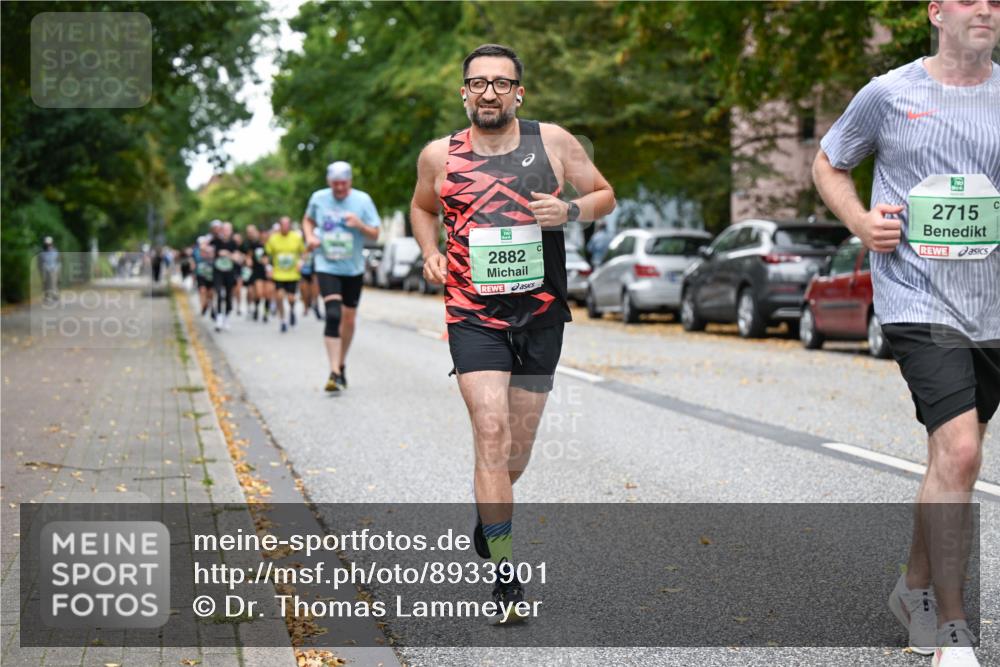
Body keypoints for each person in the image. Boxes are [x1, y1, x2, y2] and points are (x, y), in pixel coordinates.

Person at [812, 2, 999, 664]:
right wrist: (861, 222)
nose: (986, 9)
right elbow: (829, 162)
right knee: (962, 449)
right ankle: (953, 627)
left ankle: (914, 587)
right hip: (916, 297)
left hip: (992, 305)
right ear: (937, 12)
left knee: (950, 458)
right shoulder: (889, 94)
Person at [409, 44, 615, 621]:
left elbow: (604, 194)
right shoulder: (440, 156)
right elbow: (423, 208)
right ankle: (505, 577)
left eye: (502, 83)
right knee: (491, 431)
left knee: (514, 456)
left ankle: (488, 515)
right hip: (472, 313)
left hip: (541, 314)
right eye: (479, 83)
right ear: (464, 92)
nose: (490, 92)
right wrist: (431, 252)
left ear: (519, 93)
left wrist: (570, 212)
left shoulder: (553, 142)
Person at [302, 161, 381, 392]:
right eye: (335, 184)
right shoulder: (318, 198)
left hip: (353, 268)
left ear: (350, 181)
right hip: (326, 264)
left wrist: (359, 225)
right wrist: (309, 236)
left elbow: (375, 234)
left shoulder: (362, 200)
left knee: (349, 319)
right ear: (329, 182)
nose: (339, 189)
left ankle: (341, 363)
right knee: (333, 314)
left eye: (343, 184)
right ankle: (334, 372)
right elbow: (308, 220)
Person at [265, 216, 306, 333]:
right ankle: (283, 320)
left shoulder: (296, 238)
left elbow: (303, 252)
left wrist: (301, 262)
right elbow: (266, 255)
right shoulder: (273, 238)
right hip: (279, 274)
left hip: (293, 274)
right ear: (280, 225)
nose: (285, 227)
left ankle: (292, 310)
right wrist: (268, 267)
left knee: (291, 298)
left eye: (287, 224)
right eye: (283, 224)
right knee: (279, 296)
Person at [211, 222, 241, 332]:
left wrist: (227, 254)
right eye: (224, 229)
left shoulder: (234, 243)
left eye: (228, 229)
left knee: (229, 295)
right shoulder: (216, 241)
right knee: (219, 293)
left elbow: (237, 257)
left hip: (229, 272)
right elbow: (204, 248)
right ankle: (218, 317)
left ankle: (226, 317)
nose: (226, 231)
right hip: (218, 271)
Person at [38, 236, 61, 303]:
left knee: (53, 282)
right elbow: (40, 262)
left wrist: (57, 268)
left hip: (54, 269)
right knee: (46, 283)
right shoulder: (42, 253)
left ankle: (54, 295)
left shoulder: (55, 251)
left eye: (49, 244)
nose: (48, 245)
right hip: (45, 269)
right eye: (47, 244)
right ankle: (47, 296)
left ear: (52, 243)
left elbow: (58, 261)